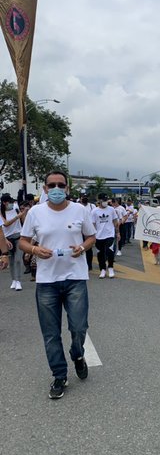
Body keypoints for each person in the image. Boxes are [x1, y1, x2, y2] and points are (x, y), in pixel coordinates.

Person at [19, 170, 97, 399]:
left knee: (79, 327)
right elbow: (23, 241)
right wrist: (34, 249)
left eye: (60, 185)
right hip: (47, 282)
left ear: (67, 188)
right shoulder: (35, 212)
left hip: (75, 278)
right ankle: (59, 375)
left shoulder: (80, 210)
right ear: (44, 189)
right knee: (51, 334)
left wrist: (82, 248)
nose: (56, 189)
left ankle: (78, 354)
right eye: (51, 185)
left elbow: (91, 237)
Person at [90, 194, 119, 279]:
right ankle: (102, 269)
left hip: (109, 234)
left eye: (106, 200)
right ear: (99, 201)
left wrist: (117, 233)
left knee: (109, 250)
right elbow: (93, 224)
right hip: (99, 235)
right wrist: (93, 236)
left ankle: (110, 268)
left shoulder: (111, 209)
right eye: (103, 200)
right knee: (100, 253)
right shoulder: (94, 211)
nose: (105, 202)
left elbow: (115, 221)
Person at [3, 193, 26, 290]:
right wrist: (18, 216)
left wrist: (22, 214)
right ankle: (13, 280)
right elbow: (6, 224)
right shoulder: (1, 213)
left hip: (18, 236)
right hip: (8, 239)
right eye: (9, 202)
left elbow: (23, 221)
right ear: (4, 203)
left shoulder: (16, 209)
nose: (11, 204)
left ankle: (18, 281)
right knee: (11, 261)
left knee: (18, 259)